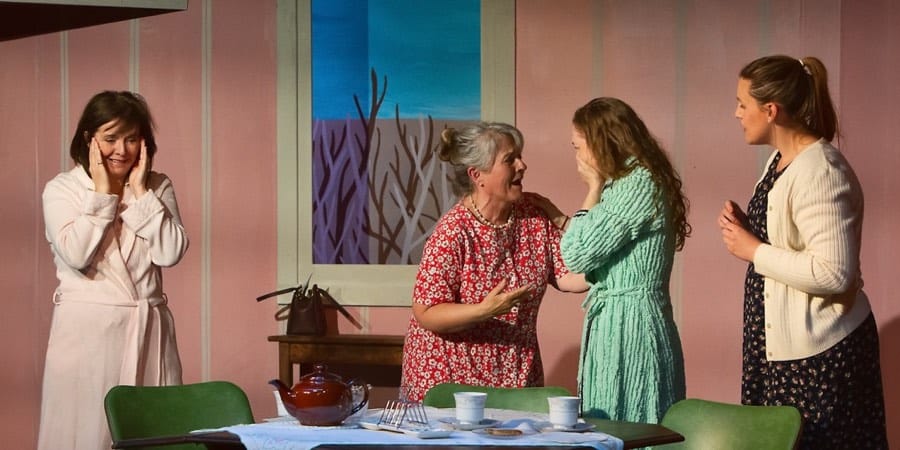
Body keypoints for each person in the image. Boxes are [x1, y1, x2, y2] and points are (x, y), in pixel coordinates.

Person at [719, 55, 887, 448]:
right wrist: (751, 229)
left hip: (819, 356)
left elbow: (834, 272)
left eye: (743, 103)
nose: (736, 113)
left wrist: (754, 249)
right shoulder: (780, 162)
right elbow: (791, 239)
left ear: (771, 110)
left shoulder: (821, 171)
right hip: (780, 352)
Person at [37, 91, 188, 450]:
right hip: (88, 337)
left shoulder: (156, 186)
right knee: (87, 435)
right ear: (89, 140)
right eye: (110, 138)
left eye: (132, 138)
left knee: (154, 434)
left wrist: (139, 193)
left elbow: (170, 252)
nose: (121, 149)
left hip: (149, 332)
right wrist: (103, 196)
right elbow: (75, 253)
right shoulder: (62, 190)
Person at [400, 122, 588, 402]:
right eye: (510, 159)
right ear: (478, 176)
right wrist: (484, 310)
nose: (522, 165)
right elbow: (426, 311)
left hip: (514, 377)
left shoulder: (532, 216)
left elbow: (570, 276)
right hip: (451, 383)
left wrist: (613, 266)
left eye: (520, 156)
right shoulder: (453, 231)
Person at [545, 97, 688, 423]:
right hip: (616, 322)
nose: (577, 157)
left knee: (634, 419)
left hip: (633, 324)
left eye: (578, 146)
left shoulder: (637, 185)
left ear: (601, 142)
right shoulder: (626, 185)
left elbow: (576, 254)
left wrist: (593, 187)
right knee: (611, 420)